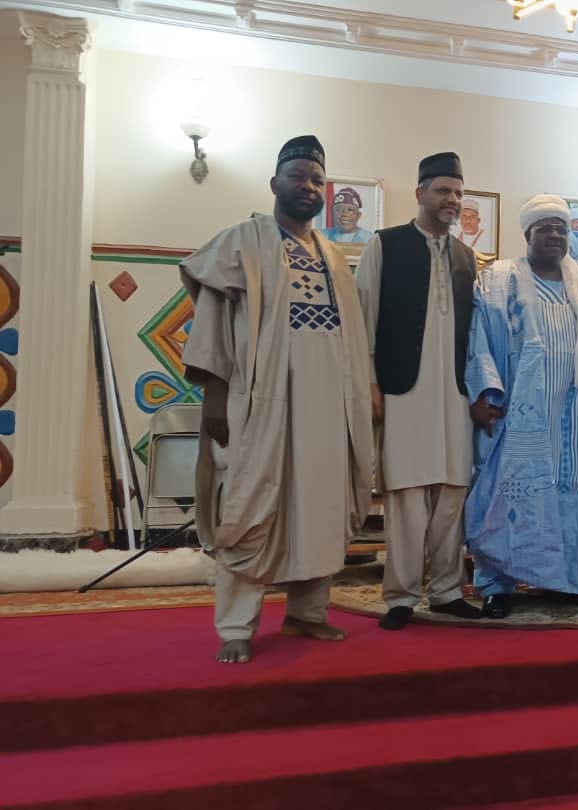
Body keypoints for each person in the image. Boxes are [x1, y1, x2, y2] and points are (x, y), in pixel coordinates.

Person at [181, 135, 374, 664]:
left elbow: (351, 340)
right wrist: (216, 400)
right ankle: (237, 625)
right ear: (275, 184)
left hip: (327, 404)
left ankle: (307, 613)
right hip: (261, 402)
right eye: (298, 176)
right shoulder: (241, 241)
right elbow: (213, 325)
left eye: (316, 179)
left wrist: (359, 400)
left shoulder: (335, 257)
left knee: (320, 504)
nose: (308, 186)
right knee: (251, 503)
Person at [465, 194, 578, 619]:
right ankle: (496, 584)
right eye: (545, 229)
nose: (555, 236)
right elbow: (479, 337)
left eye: (561, 228)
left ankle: (572, 581)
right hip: (523, 414)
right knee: (509, 493)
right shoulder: (500, 280)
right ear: (528, 235)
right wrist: (486, 392)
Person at [356, 152, 483, 630]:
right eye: (442, 191)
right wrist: (368, 381)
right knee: (406, 493)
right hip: (400, 387)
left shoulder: (467, 258)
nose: (451, 200)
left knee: (453, 490)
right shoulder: (384, 245)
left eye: (457, 192)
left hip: (454, 392)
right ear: (420, 194)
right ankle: (401, 596)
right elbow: (363, 318)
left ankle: (448, 590)